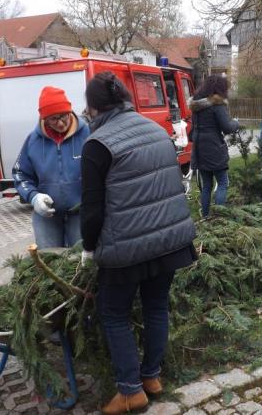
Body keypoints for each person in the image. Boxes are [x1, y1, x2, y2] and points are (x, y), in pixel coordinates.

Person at [79, 72, 197, 415]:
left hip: (127, 248)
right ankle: (151, 377)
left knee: (113, 313)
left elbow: (92, 208)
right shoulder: (154, 129)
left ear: (93, 108)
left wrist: (89, 247)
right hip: (170, 240)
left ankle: (130, 391)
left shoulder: (97, 144)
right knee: (156, 305)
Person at [13, 86, 89, 248]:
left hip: (81, 213)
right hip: (47, 216)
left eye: (63, 116)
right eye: (53, 119)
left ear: (70, 112)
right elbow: (20, 174)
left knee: (80, 262)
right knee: (49, 259)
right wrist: (33, 197)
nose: (60, 123)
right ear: (44, 119)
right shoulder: (33, 141)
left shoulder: (87, 135)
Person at [189, 75, 239, 217]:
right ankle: (218, 218)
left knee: (207, 186)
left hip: (199, 148)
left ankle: (205, 217)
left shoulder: (196, 105)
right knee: (223, 182)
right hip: (214, 148)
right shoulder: (217, 104)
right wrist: (236, 122)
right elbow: (227, 128)